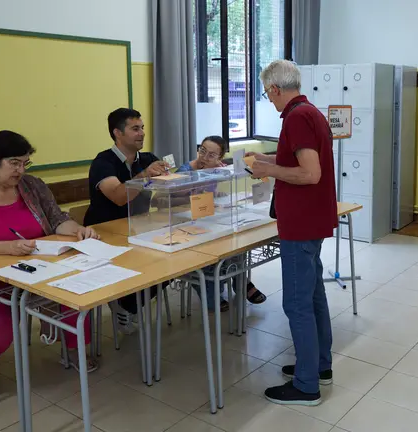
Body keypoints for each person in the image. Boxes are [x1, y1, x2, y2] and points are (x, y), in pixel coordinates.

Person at [0, 131, 100, 409]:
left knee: (77, 293)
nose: (20, 170)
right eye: (14, 163)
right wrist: (9, 247)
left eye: (25, 163)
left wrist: (79, 231)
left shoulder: (33, 186)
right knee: (0, 324)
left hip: (37, 266)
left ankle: (75, 351)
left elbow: (57, 220)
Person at [248, 59, 338, 406]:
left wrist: (269, 170)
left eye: (267, 93)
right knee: (313, 296)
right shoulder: (309, 112)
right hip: (311, 220)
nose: (269, 100)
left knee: (297, 303)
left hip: (300, 224)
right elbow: (300, 159)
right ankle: (319, 366)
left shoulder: (297, 117)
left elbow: (309, 173)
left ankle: (305, 385)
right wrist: (268, 161)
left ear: (274, 89)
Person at [84, 108, 169, 333]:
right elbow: (120, 197)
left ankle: (127, 302)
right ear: (117, 133)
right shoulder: (103, 162)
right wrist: (144, 176)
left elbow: (166, 191)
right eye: (135, 129)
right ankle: (125, 301)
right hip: (106, 233)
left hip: (140, 228)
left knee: (172, 262)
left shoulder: (148, 159)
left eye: (142, 128)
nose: (141, 133)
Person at [177, 135, 267, 311]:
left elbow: (211, 196)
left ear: (219, 158)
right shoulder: (185, 170)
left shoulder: (216, 171)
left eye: (211, 155)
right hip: (186, 222)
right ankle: (214, 289)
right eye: (202, 150)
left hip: (208, 219)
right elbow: (172, 201)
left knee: (236, 241)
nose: (204, 157)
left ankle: (241, 283)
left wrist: (219, 188)